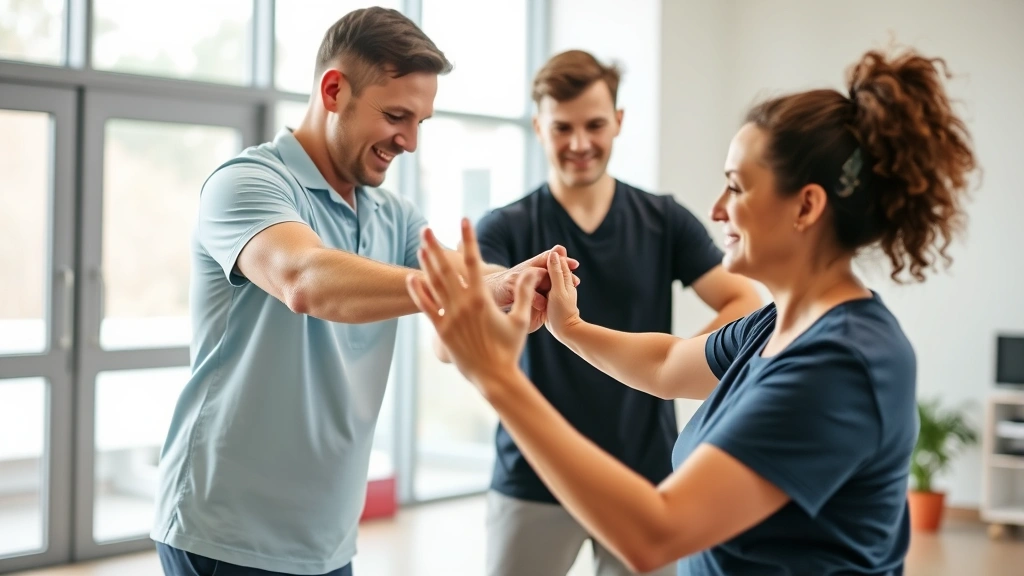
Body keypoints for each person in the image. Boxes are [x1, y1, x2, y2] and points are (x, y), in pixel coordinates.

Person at [410, 46, 976, 575]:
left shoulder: (841, 362)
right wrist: (572, 329)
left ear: (806, 206)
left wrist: (499, 381)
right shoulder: (776, 324)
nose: (717, 208)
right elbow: (666, 364)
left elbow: (656, 532)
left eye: (736, 187)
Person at [150, 8, 576, 576]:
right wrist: (468, 285)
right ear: (333, 90)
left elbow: (452, 270)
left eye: (421, 121)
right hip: (224, 532)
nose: (410, 141)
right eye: (397, 115)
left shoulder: (392, 215)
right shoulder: (247, 184)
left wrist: (508, 286)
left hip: (326, 540)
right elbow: (305, 279)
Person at [466, 50, 761, 576]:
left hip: (643, 473)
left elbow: (743, 300)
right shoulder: (505, 226)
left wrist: (677, 360)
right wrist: (495, 291)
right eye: (563, 128)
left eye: (595, 125)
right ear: (538, 127)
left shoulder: (663, 219)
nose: (580, 143)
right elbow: (472, 301)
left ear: (618, 122)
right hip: (535, 475)